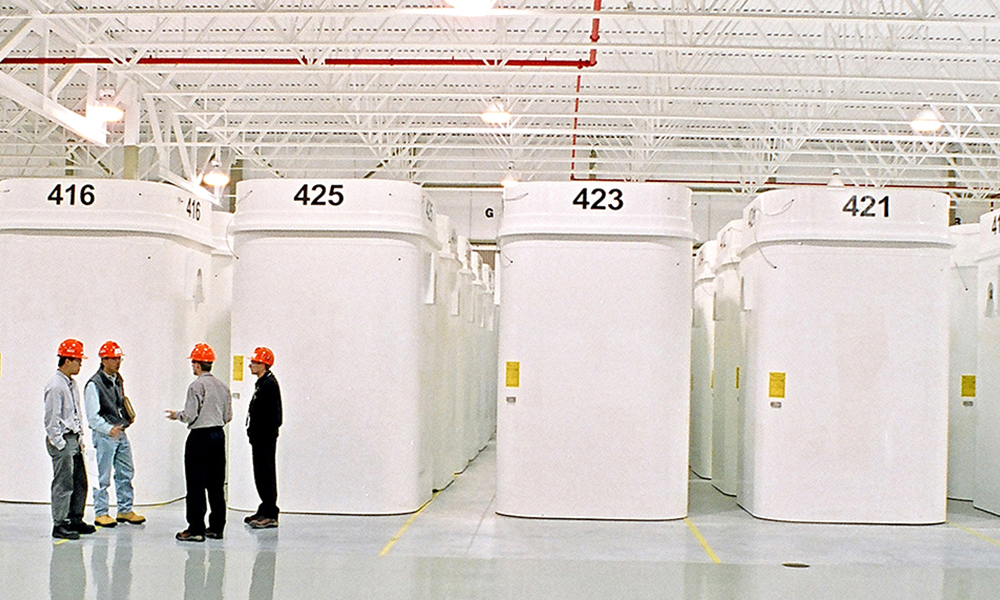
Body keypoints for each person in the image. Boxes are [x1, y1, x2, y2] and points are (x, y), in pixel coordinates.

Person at [166, 343, 232, 542]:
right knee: (216, 484)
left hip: (200, 438)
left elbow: (190, 414)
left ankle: (195, 529)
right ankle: (217, 527)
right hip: (218, 436)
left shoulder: (196, 386)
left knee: (195, 484)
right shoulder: (223, 386)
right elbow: (228, 416)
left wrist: (177, 415)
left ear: (196, 365)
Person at [84, 340, 146, 528]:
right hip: (105, 435)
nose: (118, 362)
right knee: (102, 476)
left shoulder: (118, 379)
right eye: (114, 358)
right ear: (104, 360)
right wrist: (108, 429)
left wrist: (126, 418)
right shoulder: (94, 384)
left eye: (119, 358)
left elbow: (119, 403)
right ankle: (101, 512)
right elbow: (93, 417)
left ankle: (124, 509)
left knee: (126, 471)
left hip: (119, 432)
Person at [44, 339, 96, 540]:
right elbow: (51, 418)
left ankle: (75, 518)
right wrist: (59, 442)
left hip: (73, 439)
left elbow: (75, 412)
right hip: (64, 440)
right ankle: (60, 523)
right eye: (78, 360)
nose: (80, 364)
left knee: (80, 481)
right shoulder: (56, 386)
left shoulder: (71, 383)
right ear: (67, 360)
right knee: (63, 482)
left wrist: (79, 437)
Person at [244, 347, 282, 529]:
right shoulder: (261, 383)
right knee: (260, 473)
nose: (250, 365)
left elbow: (275, 415)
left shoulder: (269, 385)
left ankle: (270, 512)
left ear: (264, 364)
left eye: (254, 362)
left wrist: (262, 433)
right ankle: (264, 507)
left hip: (265, 438)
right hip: (259, 437)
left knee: (266, 473)